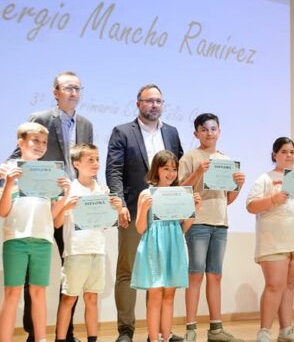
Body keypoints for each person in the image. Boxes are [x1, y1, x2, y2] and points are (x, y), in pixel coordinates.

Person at [9, 71, 94, 342]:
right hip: (47, 204)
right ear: (55, 92)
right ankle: (34, 332)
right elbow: (18, 155)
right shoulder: (41, 118)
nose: (74, 93)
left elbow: (87, 162)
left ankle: (64, 333)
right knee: (34, 271)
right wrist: (6, 172)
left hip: (74, 203)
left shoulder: (86, 124)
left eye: (78, 88)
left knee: (73, 268)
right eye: (68, 88)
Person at [106, 84, 184, 342]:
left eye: (158, 101)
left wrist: (183, 204)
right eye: (149, 101)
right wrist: (119, 203)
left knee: (163, 275)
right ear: (138, 103)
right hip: (134, 210)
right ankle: (126, 330)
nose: (154, 105)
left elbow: (177, 170)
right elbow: (114, 170)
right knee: (127, 271)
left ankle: (161, 332)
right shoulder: (122, 131)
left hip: (166, 216)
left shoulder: (171, 132)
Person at [0, 122, 73, 342]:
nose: (40, 145)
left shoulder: (50, 174)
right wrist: (9, 183)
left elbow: (53, 216)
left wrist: (66, 194)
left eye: (44, 142)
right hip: (16, 239)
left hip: (42, 239)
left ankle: (41, 339)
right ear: (20, 142)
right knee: (12, 292)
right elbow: (2, 211)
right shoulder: (8, 170)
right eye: (35, 140)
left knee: (38, 292)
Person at [246, 137, 294, 342]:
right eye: (284, 152)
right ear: (274, 155)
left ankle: (286, 330)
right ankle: (264, 332)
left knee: (289, 285)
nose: (288, 155)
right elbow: (251, 206)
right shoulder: (265, 178)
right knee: (274, 285)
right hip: (275, 239)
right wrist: (273, 199)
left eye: (291, 152)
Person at [178, 113, 246, 342]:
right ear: (196, 133)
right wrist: (198, 172)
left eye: (213, 129)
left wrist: (238, 186)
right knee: (195, 274)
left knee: (215, 275)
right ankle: (190, 328)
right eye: (204, 129)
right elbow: (180, 191)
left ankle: (216, 328)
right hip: (197, 222)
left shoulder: (225, 160)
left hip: (220, 223)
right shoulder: (190, 157)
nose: (209, 133)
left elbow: (227, 199)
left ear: (219, 131)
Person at [54, 144, 124, 342]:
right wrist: (65, 205)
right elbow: (57, 223)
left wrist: (116, 209)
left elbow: (105, 224)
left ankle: (92, 339)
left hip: (97, 250)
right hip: (76, 251)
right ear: (76, 164)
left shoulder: (102, 189)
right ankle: (60, 339)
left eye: (97, 159)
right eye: (90, 160)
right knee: (69, 298)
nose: (95, 163)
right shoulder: (70, 189)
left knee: (92, 298)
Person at [131, 150, 201, 342]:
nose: (171, 173)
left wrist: (194, 210)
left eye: (174, 169)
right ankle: (154, 339)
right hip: (154, 247)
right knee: (155, 295)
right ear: (157, 170)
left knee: (169, 296)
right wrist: (144, 209)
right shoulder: (146, 193)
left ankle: (166, 336)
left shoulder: (179, 194)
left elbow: (183, 228)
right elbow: (140, 228)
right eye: (166, 169)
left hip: (174, 245)